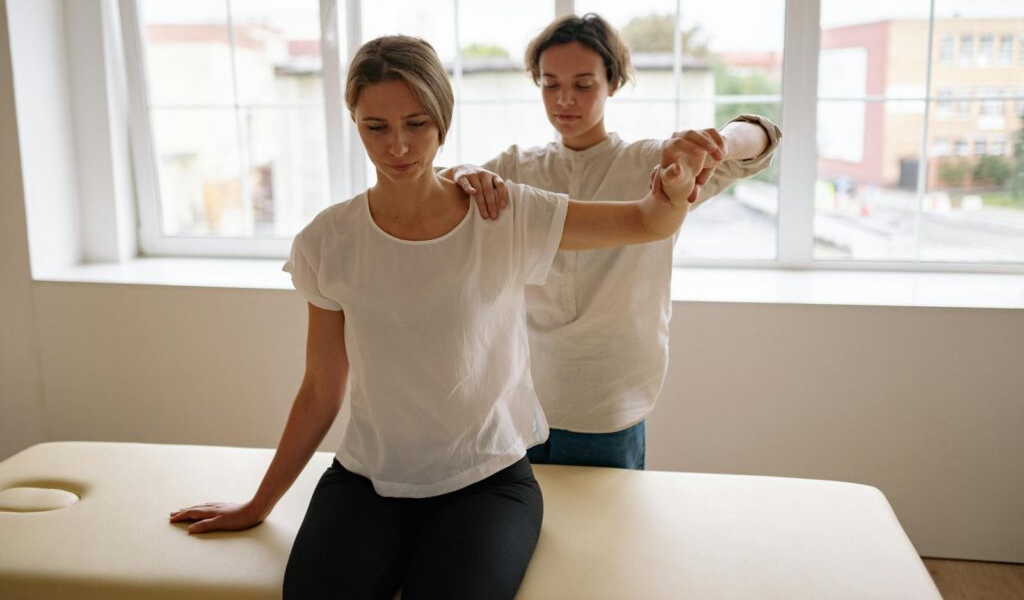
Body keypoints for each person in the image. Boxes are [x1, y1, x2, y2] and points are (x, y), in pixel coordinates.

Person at [169, 35, 715, 599]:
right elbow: (321, 387)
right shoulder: (327, 241)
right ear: (354, 121)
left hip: (489, 483)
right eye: (375, 127)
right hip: (366, 480)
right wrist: (261, 502)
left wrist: (673, 190)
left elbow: (646, 223)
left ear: (443, 119)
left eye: (417, 123)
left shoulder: (500, 213)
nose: (398, 146)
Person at [446, 13, 782, 471]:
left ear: (613, 84)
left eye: (583, 84)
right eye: (550, 84)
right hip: (523, 396)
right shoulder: (517, 167)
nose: (564, 99)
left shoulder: (657, 163)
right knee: (528, 531)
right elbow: (441, 189)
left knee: (607, 536)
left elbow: (763, 136)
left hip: (610, 400)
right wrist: (463, 173)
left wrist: (713, 144)